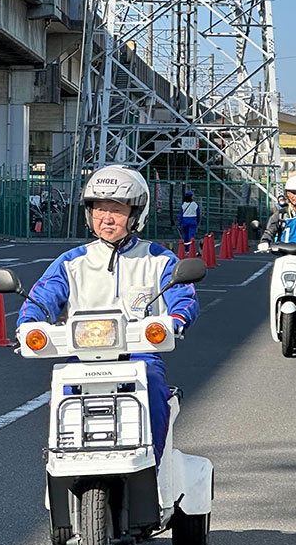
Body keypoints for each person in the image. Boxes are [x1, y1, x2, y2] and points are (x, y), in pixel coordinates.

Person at [17, 165, 200, 465]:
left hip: (140, 355)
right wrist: (28, 324)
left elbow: (183, 296)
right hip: (83, 356)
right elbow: (42, 297)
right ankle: (67, 467)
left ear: (136, 214)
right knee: (61, 396)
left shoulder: (159, 259)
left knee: (152, 386)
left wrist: (176, 319)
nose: (106, 218)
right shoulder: (72, 262)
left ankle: (150, 469)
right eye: (99, 208)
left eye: (116, 209)